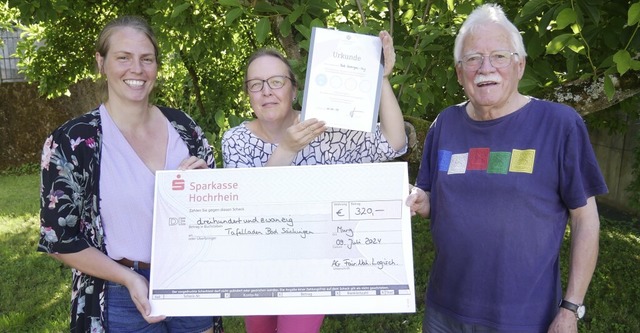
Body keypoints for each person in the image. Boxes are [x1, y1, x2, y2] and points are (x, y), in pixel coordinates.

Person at [405, 4, 608, 333]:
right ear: (459, 72)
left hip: (524, 318)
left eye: (499, 55)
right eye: (472, 58)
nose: (486, 68)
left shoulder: (559, 125)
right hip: (444, 313)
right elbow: (431, 198)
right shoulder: (445, 124)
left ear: (520, 65)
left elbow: (585, 219)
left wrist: (570, 308)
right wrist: (421, 200)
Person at [38, 16, 223, 333]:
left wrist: (208, 187)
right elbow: (59, 239)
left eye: (146, 59)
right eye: (123, 57)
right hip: (118, 292)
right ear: (101, 62)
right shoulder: (72, 141)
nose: (136, 69)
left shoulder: (184, 127)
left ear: (156, 67)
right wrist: (128, 278)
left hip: (191, 282)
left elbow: (219, 211)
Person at [221, 31, 407, 333]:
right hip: (256, 269)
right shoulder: (236, 140)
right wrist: (286, 150)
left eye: (276, 82)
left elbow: (394, 140)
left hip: (310, 269)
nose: (266, 91)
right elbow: (246, 208)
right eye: (256, 85)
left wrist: (380, 78)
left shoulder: (322, 129)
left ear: (293, 90)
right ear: (249, 94)